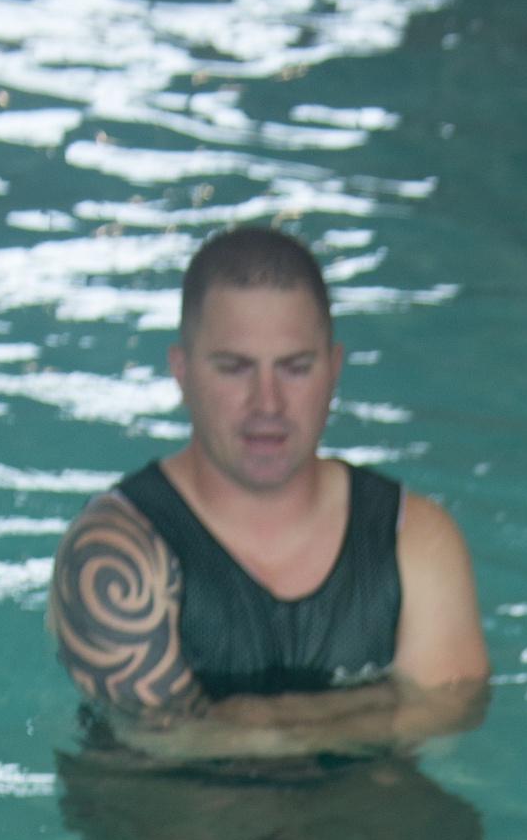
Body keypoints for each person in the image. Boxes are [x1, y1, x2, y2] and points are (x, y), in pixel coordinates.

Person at [47, 224, 490, 765]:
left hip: (358, 812)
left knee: (423, 829)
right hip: (177, 813)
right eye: (234, 368)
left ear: (334, 369)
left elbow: (454, 712)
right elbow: (166, 743)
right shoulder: (115, 551)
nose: (268, 402)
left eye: (295, 368)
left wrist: (259, 721)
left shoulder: (414, 537)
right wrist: (369, 708)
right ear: (181, 372)